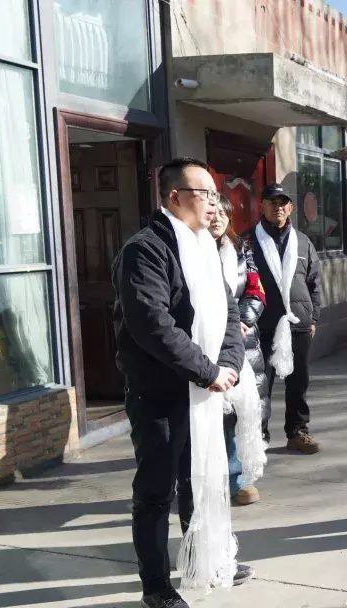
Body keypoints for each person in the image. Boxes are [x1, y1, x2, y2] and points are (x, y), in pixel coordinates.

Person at [113, 157, 254, 608]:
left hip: (203, 392)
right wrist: (207, 372)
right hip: (161, 393)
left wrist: (228, 365)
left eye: (215, 194)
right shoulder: (146, 250)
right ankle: (155, 587)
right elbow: (152, 324)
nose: (213, 202)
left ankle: (206, 560)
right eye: (204, 193)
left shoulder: (203, 246)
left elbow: (228, 314)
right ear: (174, 197)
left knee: (203, 480)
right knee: (156, 493)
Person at [243, 183, 322, 454]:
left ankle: (298, 432)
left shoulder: (303, 242)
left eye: (282, 203)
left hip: (297, 323)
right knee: (260, 385)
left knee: (298, 383)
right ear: (262, 206)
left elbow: (314, 282)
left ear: (290, 208)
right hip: (261, 325)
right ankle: (258, 437)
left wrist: (313, 317)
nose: (278, 207)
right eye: (272, 202)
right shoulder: (247, 241)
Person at [208, 199, 269, 506]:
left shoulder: (240, 251)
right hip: (203, 344)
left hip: (241, 344)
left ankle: (236, 479)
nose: (217, 218)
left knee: (234, 413)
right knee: (208, 415)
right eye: (212, 212)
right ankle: (202, 481)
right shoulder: (188, 250)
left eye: (223, 213)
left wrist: (243, 320)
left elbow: (256, 291)